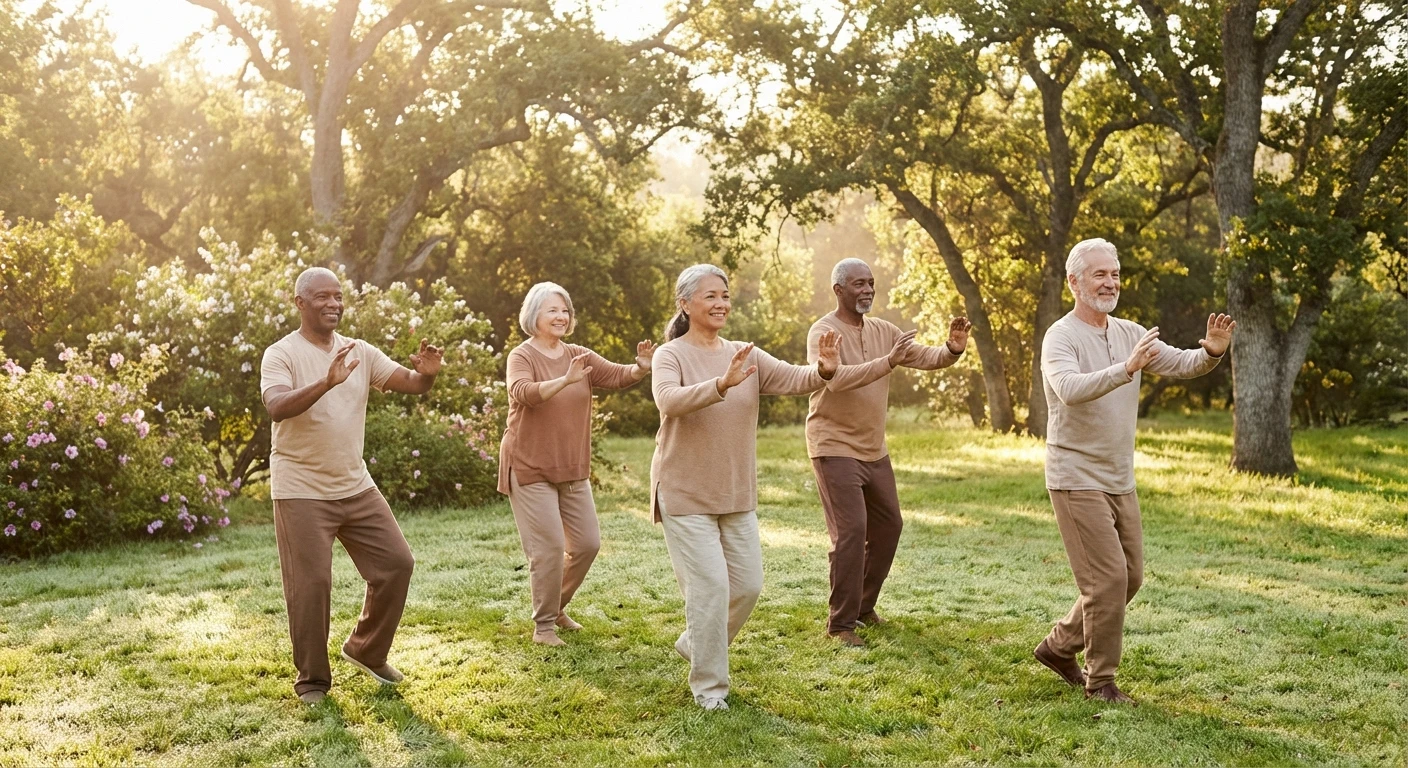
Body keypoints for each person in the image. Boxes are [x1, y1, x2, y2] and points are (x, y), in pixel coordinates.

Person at [1034, 238, 1235, 705]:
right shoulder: (1060, 337)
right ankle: (1100, 681)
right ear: (1075, 282)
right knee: (1106, 582)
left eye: (1115, 274)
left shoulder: (1130, 332)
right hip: (1075, 474)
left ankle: (1059, 646)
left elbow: (1180, 362)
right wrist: (1125, 370)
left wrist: (1211, 350)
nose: (1110, 282)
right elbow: (1068, 388)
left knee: (1131, 577)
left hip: (1118, 477)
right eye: (1100, 274)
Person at [650, 263, 849, 711]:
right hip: (684, 490)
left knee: (748, 586)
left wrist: (824, 369)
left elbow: (797, 379)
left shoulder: (746, 353)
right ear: (685, 304)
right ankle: (710, 688)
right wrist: (721, 383)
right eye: (710, 296)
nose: (721, 303)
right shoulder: (672, 355)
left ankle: (697, 642)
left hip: (735, 490)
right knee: (711, 589)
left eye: (725, 296)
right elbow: (668, 400)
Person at [259, 266, 443, 705]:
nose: (333, 304)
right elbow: (277, 408)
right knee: (311, 586)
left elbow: (411, 383)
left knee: (397, 563)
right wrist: (325, 382)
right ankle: (312, 683)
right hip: (301, 487)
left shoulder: (360, 351)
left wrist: (430, 373)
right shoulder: (281, 354)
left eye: (338, 296)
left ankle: (366, 649)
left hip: (354, 484)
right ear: (300, 303)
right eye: (322, 297)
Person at [806, 258, 972, 646]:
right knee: (851, 531)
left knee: (889, 526)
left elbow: (922, 357)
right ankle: (841, 624)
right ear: (839, 290)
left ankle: (864, 607)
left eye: (871, 283)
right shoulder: (824, 332)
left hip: (873, 449)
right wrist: (888, 362)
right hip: (833, 445)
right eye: (858, 284)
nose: (867, 290)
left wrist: (951, 349)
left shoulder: (884, 331)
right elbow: (836, 381)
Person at [500, 281, 655, 647]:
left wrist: (640, 368)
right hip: (529, 464)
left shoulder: (579, 354)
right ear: (533, 315)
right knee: (548, 548)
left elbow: (616, 375)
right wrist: (563, 379)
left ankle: (555, 606)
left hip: (571, 466)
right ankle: (544, 627)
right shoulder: (521, 356)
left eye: (565, 310)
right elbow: (521, 392)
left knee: (587, 544)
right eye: (552, 309)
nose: (560, 316)